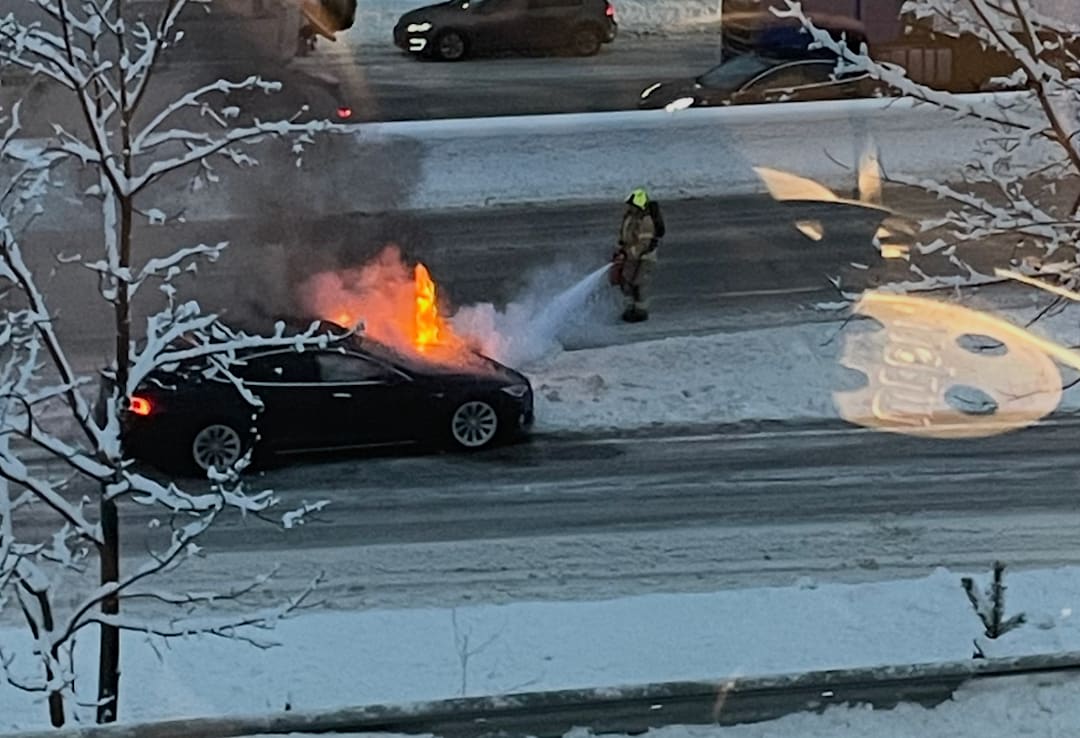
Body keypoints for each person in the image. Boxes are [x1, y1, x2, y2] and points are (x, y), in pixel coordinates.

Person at [610, 187, 664, 322]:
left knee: (639, 284)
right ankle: (629, 310)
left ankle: (640, 312)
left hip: (645, 258)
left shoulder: (646, 221)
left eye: (632, 205)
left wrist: (628, 253)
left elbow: (644, 244)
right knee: (626, 282)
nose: (629, 207)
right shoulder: (630, 217)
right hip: (631, 257)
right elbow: (625, 238)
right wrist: (622, 251)